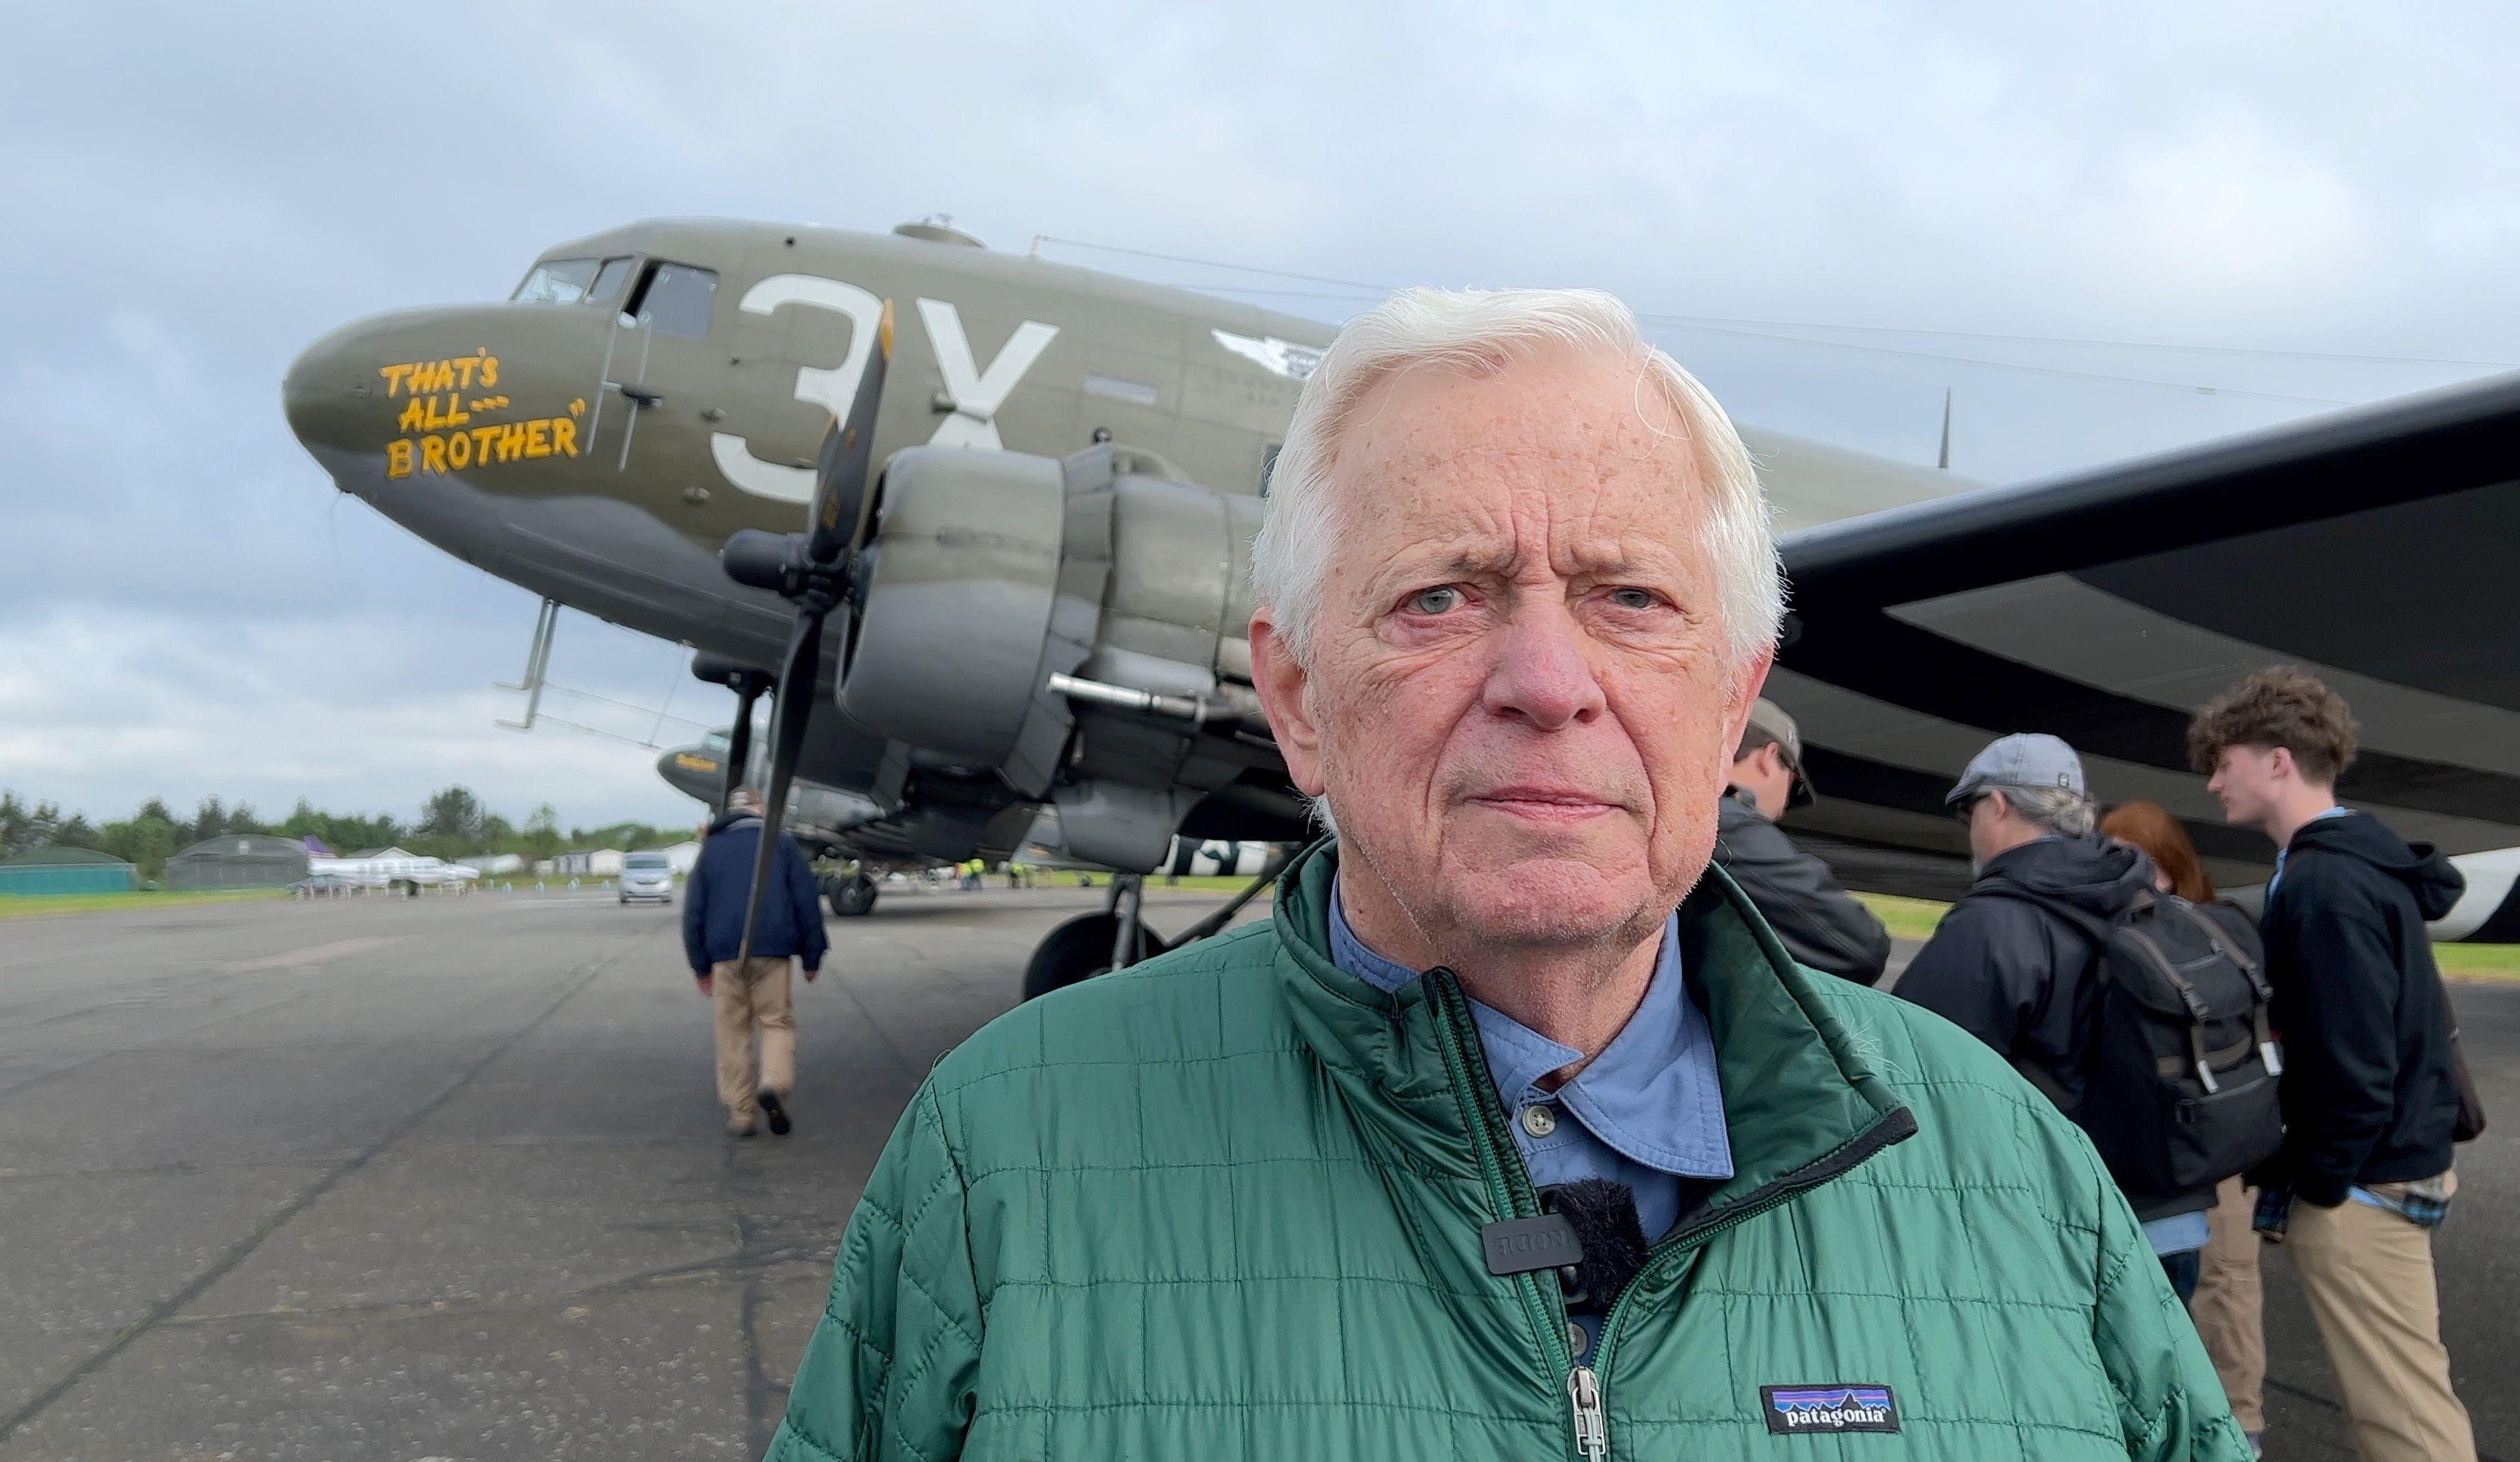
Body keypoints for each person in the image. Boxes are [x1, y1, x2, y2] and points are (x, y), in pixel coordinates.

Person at [769, 289, 2243, 1459]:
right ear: (1293, 700)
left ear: (1734, 703)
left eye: (1631, 599)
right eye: (1438, 596)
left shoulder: (2003, 1151)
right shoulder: (993, 1152)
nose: (1548, 679)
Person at [2191, 669, 2473, 1462]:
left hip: (2362, 1190)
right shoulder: (2358, 863)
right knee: (2397, 1402)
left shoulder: (2325, 881)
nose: (2214, 782)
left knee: (2404, 1423)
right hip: (2390, 1169)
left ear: (2278, 761)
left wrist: (2318, 1184)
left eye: (2225, 762)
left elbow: (2356, 1066)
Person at [1893, 735, 2216, 1297]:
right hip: (2170, 1223)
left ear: (1996, 805)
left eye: (1972, 810)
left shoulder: (1993, 924)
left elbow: (1913, 1079)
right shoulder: (2149, 903)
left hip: (2055, 1236)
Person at [2099, 800, 2270, 1453]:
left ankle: (2240, 1422)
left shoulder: (2211, 931)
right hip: (2191, 1137)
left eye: (2134, 858)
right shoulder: (2205, 932)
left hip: (2216, 1139)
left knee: (2225, 1278)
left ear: (2168, 869)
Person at [682, 787, 828, 1138]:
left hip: (725, 957)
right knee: (776, 1022)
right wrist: (813, 954)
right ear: (760, 808)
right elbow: (806, 901)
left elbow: (694, 912)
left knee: (733, 1034)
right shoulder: (782, 844)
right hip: (773, 953)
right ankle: (774, 1084)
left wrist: (699, 965)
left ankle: (742, 1114)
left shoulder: (712, 850)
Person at [1714, 696, 1892, 983]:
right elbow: (1861, 948)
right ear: (1769, 758)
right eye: (1793, 784)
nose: (1784, 807)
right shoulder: (1730, 825)